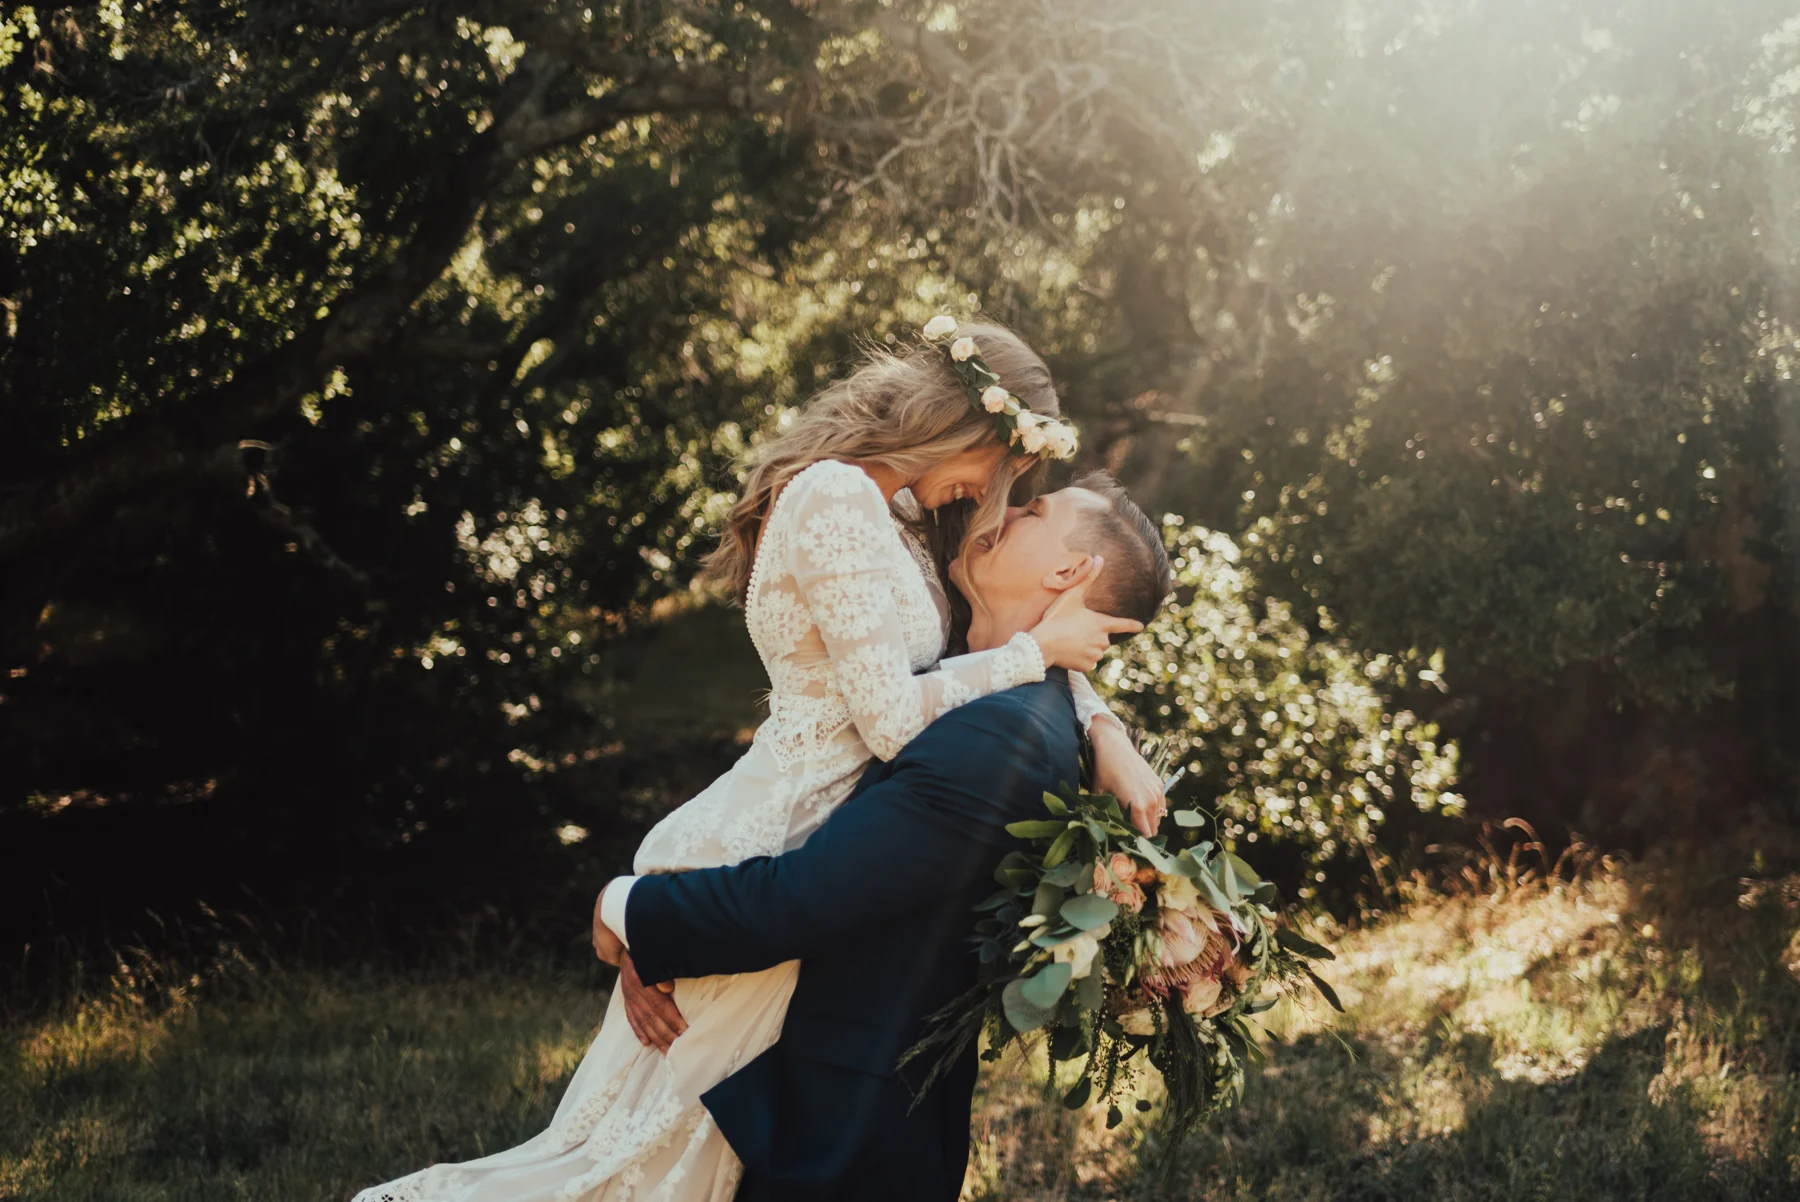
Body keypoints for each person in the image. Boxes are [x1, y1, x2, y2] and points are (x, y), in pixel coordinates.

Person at [351, 321, 1168, 1202]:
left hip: (809, 865)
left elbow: (990, 655)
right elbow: (910, 709)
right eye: (1005, 466)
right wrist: (646, 914)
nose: (999, 498)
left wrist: (1103, 725)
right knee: (631, 1157)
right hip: (771, 835)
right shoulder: (838, 501)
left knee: (669, 1154)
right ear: (959, 426)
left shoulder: (910, 518)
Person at [591, 474, 1176, 1201]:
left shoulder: (1003, 740)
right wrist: (1104, 721)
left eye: (1035, 510)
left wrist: (629, 909)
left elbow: (799, 905)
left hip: (837, 1144)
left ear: (1067, 573)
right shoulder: (996, 691)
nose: (1007, 509)